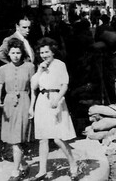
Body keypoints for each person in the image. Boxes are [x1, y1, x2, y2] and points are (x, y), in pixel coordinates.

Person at [30, 37, 78, 180]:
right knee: (43, 138)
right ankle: (42, 170)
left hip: (57, 99)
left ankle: (73, 164)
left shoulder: (60, 65)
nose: (44, 55)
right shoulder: (40, 67)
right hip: (42, 101)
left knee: (58, 138)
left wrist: (57, 99)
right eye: (41, 52)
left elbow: (64, 85)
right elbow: (33, 87)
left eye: (47, 52)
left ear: (53, 52)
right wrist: (39, 71)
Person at [0, 38, 35, 180]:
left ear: (22, 53)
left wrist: (32, 107)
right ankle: (23, 165)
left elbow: (33, 89)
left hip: (24, 102)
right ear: (9, 54)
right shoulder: (3, 69)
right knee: (12, 139)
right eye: (13, 53)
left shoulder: (29, 66)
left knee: (17, 139)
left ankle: (15, 171)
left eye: (18, 52)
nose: (16, 55)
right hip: (9, 104)